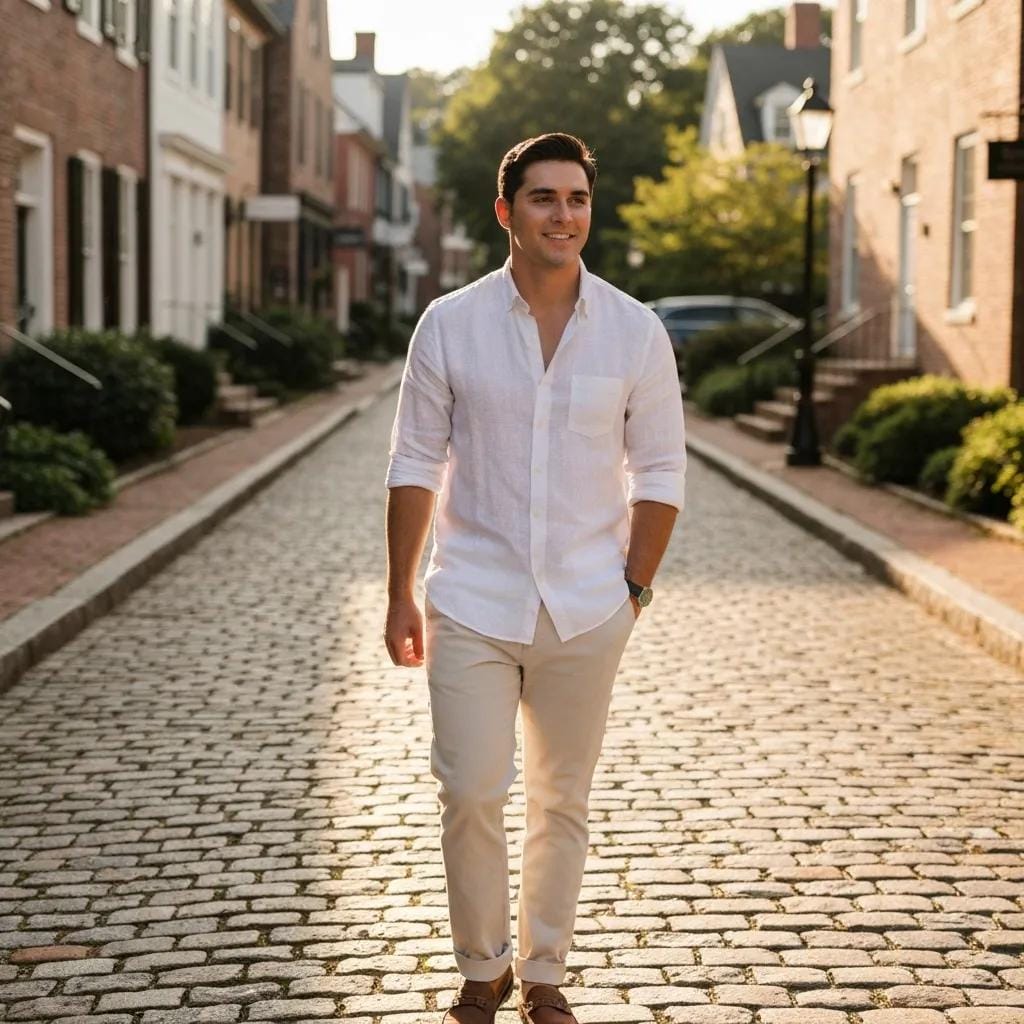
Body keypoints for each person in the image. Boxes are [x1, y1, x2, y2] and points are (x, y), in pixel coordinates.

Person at [383, 132, 686, 1024]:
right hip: (471, 596)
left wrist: (632, 590)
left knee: (563, 797)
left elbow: (661, 472)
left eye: (578, 199)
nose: (565, 214)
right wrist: (403, 589)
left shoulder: (635, 330)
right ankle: (484, 966)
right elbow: (413, 462)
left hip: (589, 605)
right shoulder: (449, 323)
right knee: (471, 787)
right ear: (506, 211)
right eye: (546, 198)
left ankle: (544, 972)